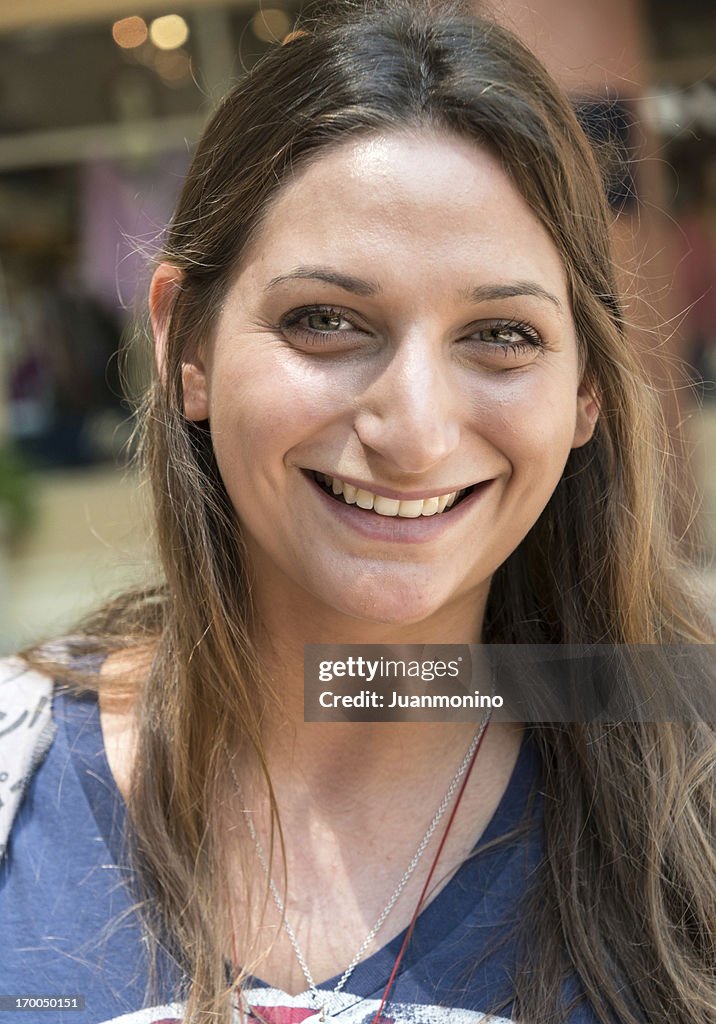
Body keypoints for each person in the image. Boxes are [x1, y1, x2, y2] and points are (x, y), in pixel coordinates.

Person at [2, 2, 715, 1023]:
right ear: (185, 344)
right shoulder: (18, 768)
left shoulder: (688, 790)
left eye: (500, 333)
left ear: (585, 393)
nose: (414, 432)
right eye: (327, 321)